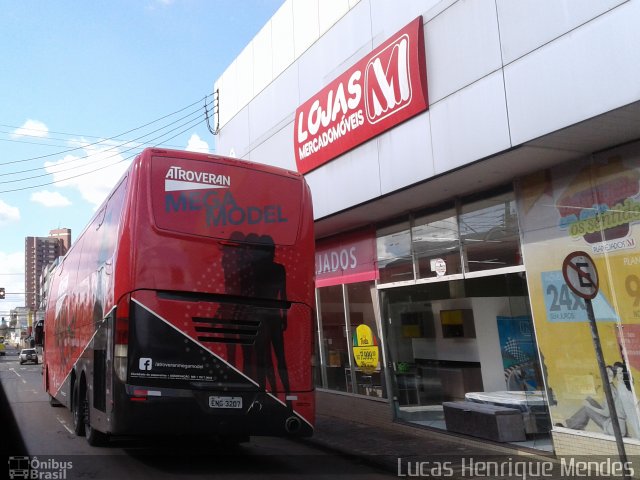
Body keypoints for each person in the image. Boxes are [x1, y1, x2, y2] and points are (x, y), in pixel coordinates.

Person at [563, 365, 627, 437]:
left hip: (613, 427)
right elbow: (608, 409)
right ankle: (572, 424)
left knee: (587, 408)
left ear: (613, 377)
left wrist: (589, 406)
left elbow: (606, 413)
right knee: (589, 400)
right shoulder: (612, 388)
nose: (605, 376)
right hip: (615, 424)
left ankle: (570, 426)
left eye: (609, 375)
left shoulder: (610, 391)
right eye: (604, 373)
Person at [614, 361, 640, 439]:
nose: (621, 375)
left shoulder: (627, 386)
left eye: (622, 373)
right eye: (619, 373)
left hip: (635, 413)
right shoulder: (620, 387)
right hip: (631, 414)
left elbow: (636, 402)